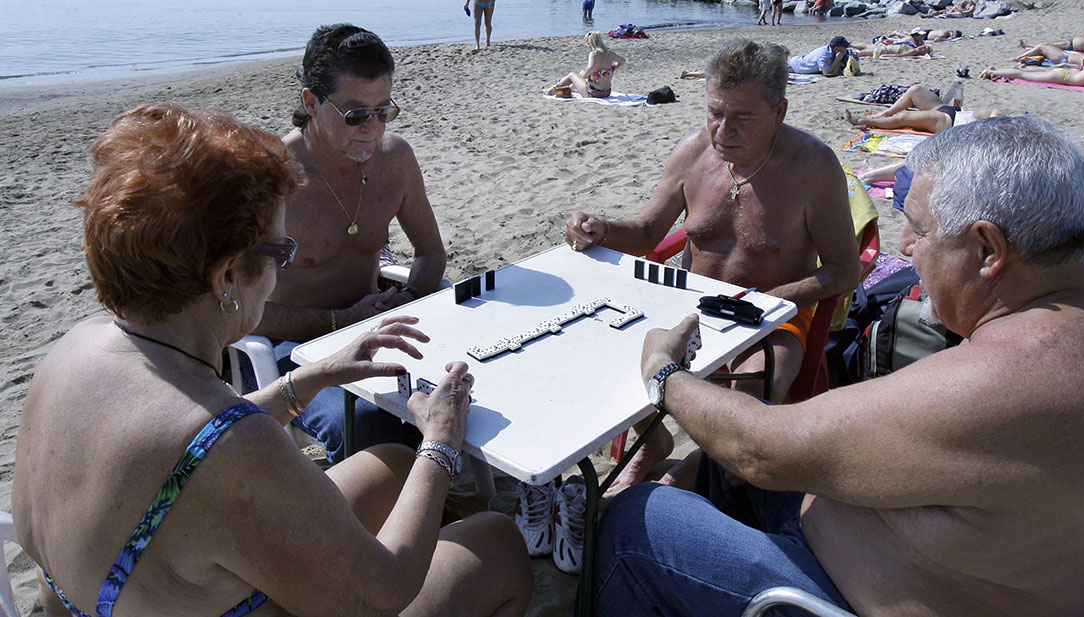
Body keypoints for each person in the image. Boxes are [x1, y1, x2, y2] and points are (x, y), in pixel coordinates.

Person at [592, 115, 1084, 617]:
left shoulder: (1014, 373)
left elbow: (761, 449)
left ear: (987, 250)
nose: (906, 246)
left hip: (841, 598)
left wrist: (665, 376)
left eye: (920, 228)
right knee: (719, 468)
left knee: (636, 521)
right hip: (973, 557)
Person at [13, 103, 532, 617]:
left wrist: (307, 379)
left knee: (392, 466)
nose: (281, 272)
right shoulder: (238, 447)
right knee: (498, 543)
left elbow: (180, 449)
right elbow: (388, 588)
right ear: (225, 279)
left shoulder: (75, 348)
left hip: (124, 594)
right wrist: (440, 441)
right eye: (280, 254)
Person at [564, 39, 859, 486]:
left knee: (746, 412)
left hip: (772, 317)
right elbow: (646, 234)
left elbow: (844, 269)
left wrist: (774, 301)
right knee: (600, 346)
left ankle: (676, 484)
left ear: (779, 113)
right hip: (691, 305)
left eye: (742, 117)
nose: (723, 130)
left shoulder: (812, 167)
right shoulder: (693, 153)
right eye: (715, 113)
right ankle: (655, 441)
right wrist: (600, 228)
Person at [251, 24, 448, 463]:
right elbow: (240, 311)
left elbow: (431, 253)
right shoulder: (273, 181)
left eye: (384, 111)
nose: (372, 129)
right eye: (356, 114)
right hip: (291, 349)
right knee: (365, 424)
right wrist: (338, 320)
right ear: (310, 102)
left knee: (467, 377)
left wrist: (409, 296)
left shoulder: (394, 159)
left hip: (378, 327)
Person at [845, 84, 1003, 133]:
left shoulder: (993, 130)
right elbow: (997, 114)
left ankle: (865, 121)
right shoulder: (998, 118)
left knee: (905, 117)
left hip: (949, 122)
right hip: (950, 109)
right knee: (916, 90)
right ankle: (885, 113)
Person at [982, 48, 1084, 90]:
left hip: (1065, 75)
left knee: (1026, 73)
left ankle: (995, 70)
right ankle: (992, 72)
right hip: (1063, 77)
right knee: (1022, 75)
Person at [545, 31, 626, 99]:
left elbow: (590, 68)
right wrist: (612, 69)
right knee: (581, 72)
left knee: (572, 75)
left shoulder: (594, 54)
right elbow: (622, 61)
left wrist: (586, 76)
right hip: (607, 92)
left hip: (594, 93)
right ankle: (569, 89)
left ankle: (550, 91)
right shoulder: (610, 54)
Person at [787, 36, 858, 77]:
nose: (845, 49)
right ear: (837, 48)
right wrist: (837, 59)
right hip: (797, 66)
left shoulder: (837, 51)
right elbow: (826, 72)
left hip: (802, 59)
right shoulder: (824, 54)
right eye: (844, 47)